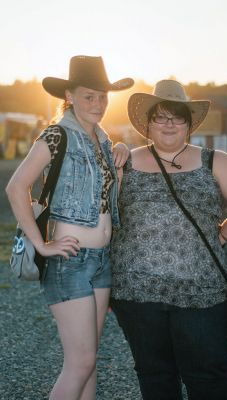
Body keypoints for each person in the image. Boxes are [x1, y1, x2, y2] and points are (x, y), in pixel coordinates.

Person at [110, 79, 227, 400]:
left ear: (189, 123)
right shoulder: (124, 162)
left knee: (208, 377)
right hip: (138, 295)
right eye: (160, 116)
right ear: (147, 123)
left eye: (177, 116)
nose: (168, 124)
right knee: (156, 377)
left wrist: (224, 233)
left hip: (202, 293)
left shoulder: (214, 161)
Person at [6, 55, 134, 400]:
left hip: (101, 261)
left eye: (103, 96)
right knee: (80, 363)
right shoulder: (57, 135)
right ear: (70, 97)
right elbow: (17, 187)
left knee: (87, 363)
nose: (98, 104)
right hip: (70, 261)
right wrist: (42, 243)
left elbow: (105, 198)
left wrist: (119, 152)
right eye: (89, 96)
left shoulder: (103, 140)